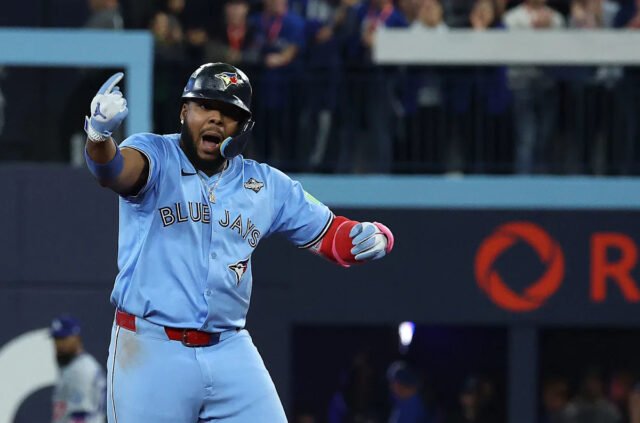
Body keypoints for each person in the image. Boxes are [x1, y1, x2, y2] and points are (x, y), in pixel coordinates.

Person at [83, 62, 395, 422]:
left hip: (228, 347)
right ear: (184, 111)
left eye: (230, 112)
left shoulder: (264, 184)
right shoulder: (155, 153)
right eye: (205, 105)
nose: (216, 118)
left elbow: (331, 235)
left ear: (244, 127)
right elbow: (113, 171)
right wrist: (98, 136)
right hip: (151, 346)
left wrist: (373, 236)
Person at [50, 315, 107, 423]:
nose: (59, 345)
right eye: (56, 339)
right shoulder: (74, 365)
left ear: (76, 337)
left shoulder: (81, 370)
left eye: (63, 339)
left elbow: (81, 417)